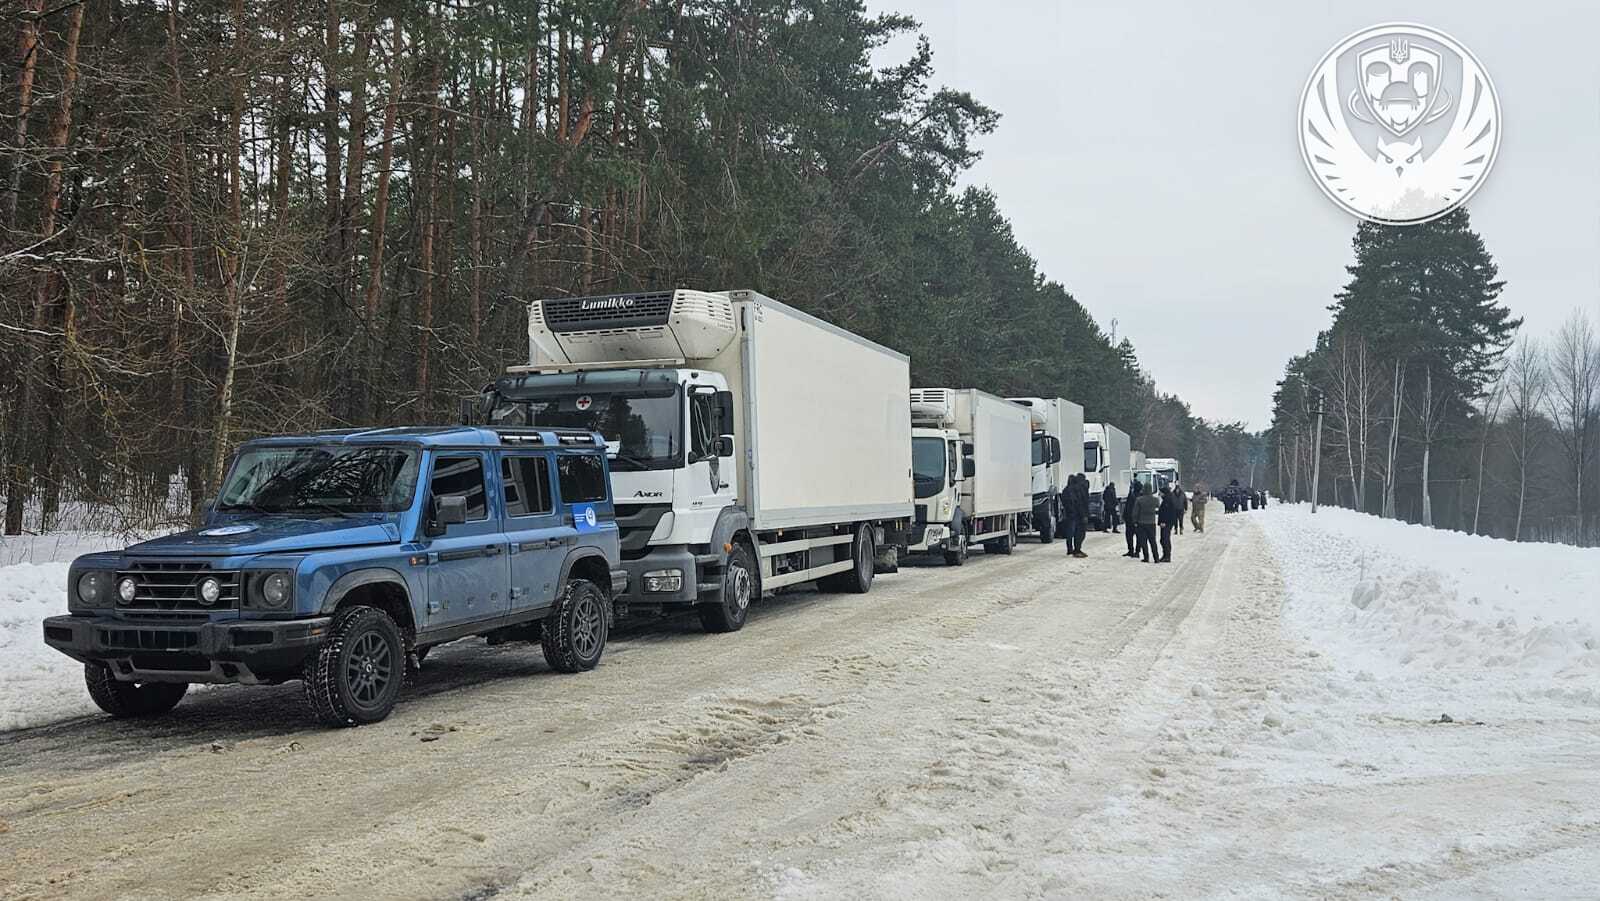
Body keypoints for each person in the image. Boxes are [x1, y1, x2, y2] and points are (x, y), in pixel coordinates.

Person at [1133, 483, 1161, 562]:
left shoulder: (1139, 500)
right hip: (1151, 522)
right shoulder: (1155, 499)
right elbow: (1158, 508)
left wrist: (1135, 521)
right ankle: (1156, 557)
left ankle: (1146, 557)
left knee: (1143, 541)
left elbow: (1135, 512)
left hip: (1141, 523)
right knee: (1153, 541)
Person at [1157, 485, 1180, 562]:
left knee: (1165, 539)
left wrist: (1164, 522)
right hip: (1165, 523)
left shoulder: (1168, 500)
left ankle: (1167, 556)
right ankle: (1165, 555)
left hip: (1166, 523)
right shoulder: (1166, 499)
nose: (1159, 494)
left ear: (1164, 493)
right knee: (1163, 539)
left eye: (1160, 493)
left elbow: (1168, 513)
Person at [1069, 474, 1090, 557]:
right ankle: (1077, 550)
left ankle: (1077, 549)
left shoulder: (1076, 488)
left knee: (1079, 533)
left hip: (1078, 514)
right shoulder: (1079, 489)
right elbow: (1080, 503)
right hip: (1080, 514)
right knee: (1080, 533)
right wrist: (1084, 515)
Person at [1122, 482, 1141, 557]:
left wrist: (1125, 515)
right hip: (1136, 519)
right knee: (1137, 536)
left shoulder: (1132, 495)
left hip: (1131, 519)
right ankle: (1136, 551)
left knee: (1130, 535)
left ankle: (1132, 550)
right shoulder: (1139, 496)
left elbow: (1127, 507)